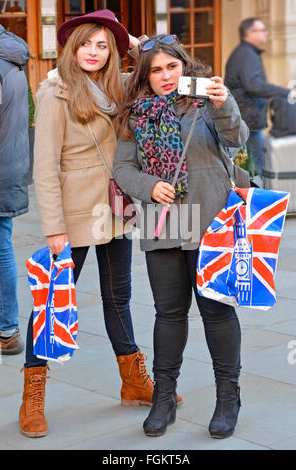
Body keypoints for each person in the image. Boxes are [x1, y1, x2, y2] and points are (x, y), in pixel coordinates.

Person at [19, 10, 181, 440]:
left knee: (119, 296)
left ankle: (133, 380)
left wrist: (132, 43)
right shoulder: (55, 92)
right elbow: (45, 168)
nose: (94, 51)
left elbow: (155, 73)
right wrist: (53, 227)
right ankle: (32, 392)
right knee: (51, 302)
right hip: (72, 214)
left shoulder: (118, 88)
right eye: (87, 43)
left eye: (103, 45)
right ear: (73, 48)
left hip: (115, 208)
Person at [114, 34, 249, 439]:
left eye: (171, 66)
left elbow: (237, 139)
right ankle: (164, 397)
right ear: (146, 76)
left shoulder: (208, 102)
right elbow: (123, 169)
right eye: (155, 70)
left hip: (211, 218)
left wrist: (223, 104)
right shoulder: (137, 115)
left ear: (184, 66)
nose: (165, 75)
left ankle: (228, 396)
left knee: (217, 311)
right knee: (168, 313)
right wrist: (150, 185)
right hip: (166, 219)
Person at [225, 17, 296, 178]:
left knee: (251, 159)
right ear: (250, 33)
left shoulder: (245, 52)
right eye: (262, 30)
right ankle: (268, 195)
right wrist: (286, 93)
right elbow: (253, 85)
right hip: (247, 118)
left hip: (245, 116)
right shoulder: (246, 54)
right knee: (262, 163)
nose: (266, 33)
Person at [0, 24, 30, 355]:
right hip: (10, 167)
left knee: (0, 249)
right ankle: (5, 328)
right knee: (0, 245)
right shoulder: (11, 56)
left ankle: (6, 329)